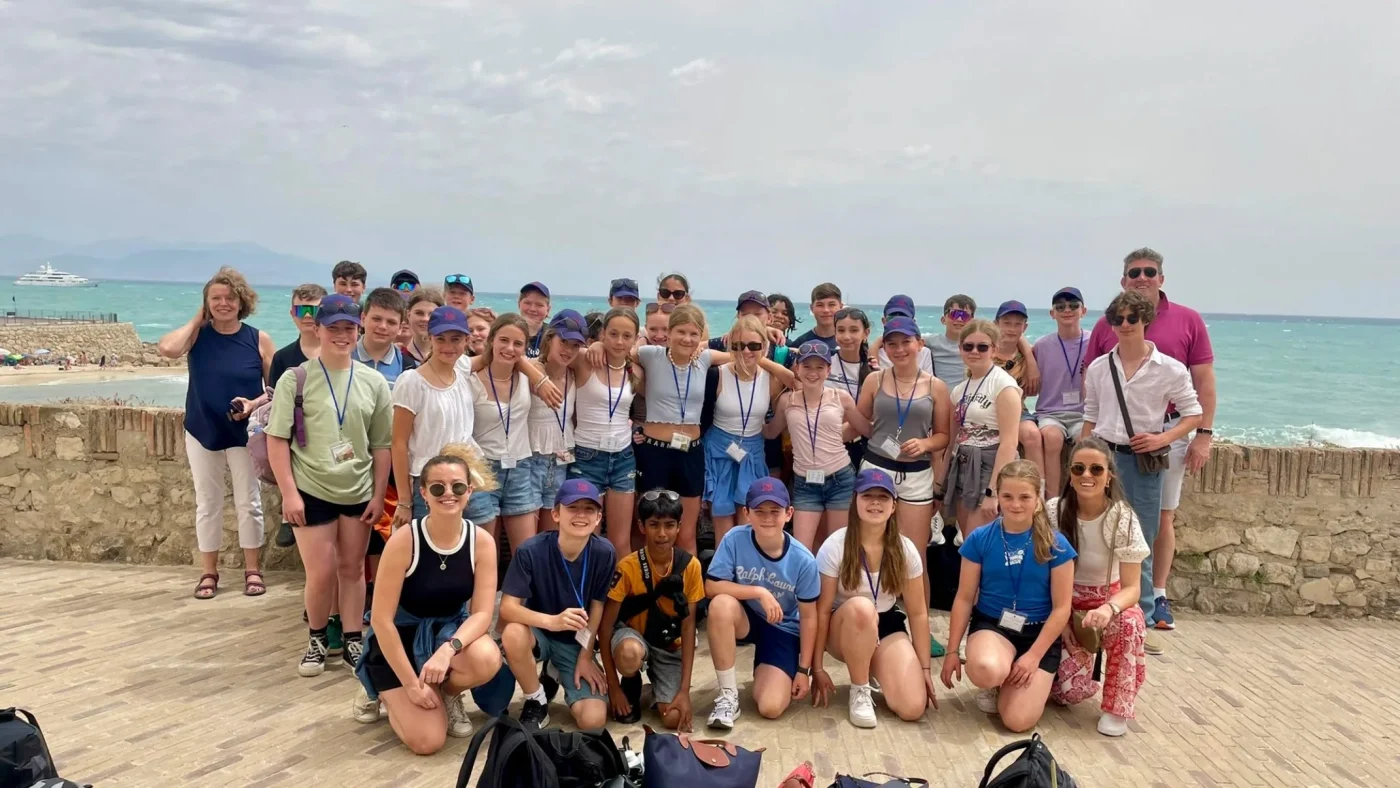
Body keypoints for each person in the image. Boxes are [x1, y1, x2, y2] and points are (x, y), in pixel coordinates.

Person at [1084, 247, 1216, 638]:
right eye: (1119, 319)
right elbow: (1091, 412)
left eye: (1133, 318)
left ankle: (1136, 623)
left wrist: (1167, 437)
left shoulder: (1170, 367)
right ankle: (1097, 613)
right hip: (1104, 457)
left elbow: (1194, 408)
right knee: (1094, 531)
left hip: (1145, 460)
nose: (1126, 324)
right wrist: (1084, 454)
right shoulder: (1098, 365)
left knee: (1138, 539)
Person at [265, 295, 392, 676]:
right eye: (332, 328)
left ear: (359, 330)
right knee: (320, 573)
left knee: (352, 570)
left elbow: (381, 444)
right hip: (311, 489)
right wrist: (289, 493)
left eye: (348, 328)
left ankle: (353, 639)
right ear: (317, 329)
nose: (341, 335)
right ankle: (317, 639)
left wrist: (377, 493)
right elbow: (277, 438)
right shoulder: (296, 378)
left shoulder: (374, 382)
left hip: (357, 491)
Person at [352, 445, 504, 753]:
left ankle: (447, 694)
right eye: (438, 487)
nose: (448, 493)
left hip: (445, 635)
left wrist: (449, 651)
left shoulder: (482, 543)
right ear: (423, 493)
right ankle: (381, 690)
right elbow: (381, 620)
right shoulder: (404, 540)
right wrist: (409, 684)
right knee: (428, 741)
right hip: (399, 640)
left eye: (457, 486)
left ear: (469, 490)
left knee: (488, 657)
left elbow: (481, 615)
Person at [624, 305, 791, 553]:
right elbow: (619, 351)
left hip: (691, 451)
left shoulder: (705, 358)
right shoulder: (650, 354)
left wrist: (759, 341)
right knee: (651, 526)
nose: (687, 339)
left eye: (694, 334)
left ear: (701, 337)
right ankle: (650, 585)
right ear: (669, 333)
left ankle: (690, 589)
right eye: (681, 332)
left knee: (686, 533)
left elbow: (741, 354)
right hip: (655, 451)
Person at [157, 267, 276, 600]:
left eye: (230, 298)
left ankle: (253, 569)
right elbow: (167, 349)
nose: (224, 304)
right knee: (207, 504)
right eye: (216, 298)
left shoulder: (258, 339)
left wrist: (253, 404)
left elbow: (278, 387)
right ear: (207, 303)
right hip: (201, 428)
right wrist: (199, 318)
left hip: (243, 431)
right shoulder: (198, 336)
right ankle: (209, 572)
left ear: (242, 302)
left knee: (248, 503)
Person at [940, 460, 1075, 733]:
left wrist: (1034, 656)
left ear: (1038, 499)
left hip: (1037, 634)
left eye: (1025, 497)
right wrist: (952, 650)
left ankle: (1025, 679)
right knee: (986, 668)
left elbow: (1062, 608)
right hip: (994, 625)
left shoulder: (1056, 543)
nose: (1016, 504)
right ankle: (998, 678)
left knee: (1016, 721)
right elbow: (965, 597)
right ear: (998, 497)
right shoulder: (980, 538)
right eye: (1008, 497)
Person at [812, 468, 939, 727]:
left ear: (894, 505)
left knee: (913, 707)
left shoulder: (905, 549)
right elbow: (821, 610)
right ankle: (859, 689)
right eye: (867, 495)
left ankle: (874, 668)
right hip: (844, 626)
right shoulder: (835, 545)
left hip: (886, 622)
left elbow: (917, 613)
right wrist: (817, 667)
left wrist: (925, 668)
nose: (875, 502)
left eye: (883, 497)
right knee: (862, 607)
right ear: (854, 501)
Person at [1047, 438, 1150, 737]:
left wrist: (1109, 608)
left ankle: (1118, 708)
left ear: (1109, 475)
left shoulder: (1122, 518)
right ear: (1070, 474)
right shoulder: (1054, 511)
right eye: (1078, 468)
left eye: (1096, 469)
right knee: (1069, 694)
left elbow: (1132, 588)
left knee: (1130, 624)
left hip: (1107, 602)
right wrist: (1060, 616)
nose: (1086, 475)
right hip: (1063, 600)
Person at [500, 479, 618, 730]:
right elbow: (507, 608)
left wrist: (586, 655)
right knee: (513, 632)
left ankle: (554, 670)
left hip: (574, 642)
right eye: (572, 507)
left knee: (593, 720)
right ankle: (536, 700)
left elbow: (598, 606)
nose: (581, 515)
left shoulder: (604, 552)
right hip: (539, 633)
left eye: (589, 509)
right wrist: (551, 622)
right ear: (555, 514)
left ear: (598, 518)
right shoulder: (531, 550)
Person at [704, 478, 819, 728]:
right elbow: (711, 587)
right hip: (748, 618)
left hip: (783, 627)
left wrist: (804, 669)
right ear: (746, 513)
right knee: (721, 605)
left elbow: (810, 618)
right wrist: (759, 591)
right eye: (759, 511)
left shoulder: (804, 560)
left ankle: (768, 669)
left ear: (789, 514)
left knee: (770, 707)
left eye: (775, 511)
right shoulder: (735, 538)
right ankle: (727, 695)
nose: (767, 518)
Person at [599, 490, 706, 729]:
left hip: (669, 647)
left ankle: (654, 691)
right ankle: (630, 682)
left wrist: (685, 690)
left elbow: (688, 628)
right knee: (629, 653)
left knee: (673, 719)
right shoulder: (627, 566)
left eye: (669, 525)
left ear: (679, 526)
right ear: (641, 526)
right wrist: (613, 687)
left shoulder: (691, 566)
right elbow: (605, 629)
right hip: (634, 638)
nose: (661, 533)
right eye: (654, 525)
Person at [857, 317, 950, 571]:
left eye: (905, 342)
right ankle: (874, 608)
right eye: (892, 343)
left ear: (919, 344)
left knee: (914, 556)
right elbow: (859, 422)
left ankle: (918, 612)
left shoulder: (936, 386)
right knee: (869, 546)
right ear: (884, 347)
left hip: (917, 475)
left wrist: (924, 443)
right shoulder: (874, 380)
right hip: (876, 468)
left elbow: (944, 435)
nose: (899, 349)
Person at [766, 341, 870, 551]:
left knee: (838, 548)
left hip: (839, 479)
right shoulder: (787, 400)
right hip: (805, 484)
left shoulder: (840, 397)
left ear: (828, 370)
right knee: (802, 549)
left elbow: (864, 429)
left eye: (819, 367)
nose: (813, 373)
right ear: (797, 368)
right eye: (807, 366)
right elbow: (771, 431)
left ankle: (834, 585)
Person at [465, 314, 553, 553]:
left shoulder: (528, 375)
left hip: (521, 467)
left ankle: (518, 593)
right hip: (482, 469)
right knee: (483, 552)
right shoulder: (469, 379)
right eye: (503, 340)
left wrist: (526, 367)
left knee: (525, 552)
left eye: (518, 344)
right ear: (491, 340)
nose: (509, 348)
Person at [703, 315, 793, 545]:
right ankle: (722, 577)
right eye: (738, 345)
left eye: (753, 345)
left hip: (752, 453)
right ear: (730, 345)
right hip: (719, 452)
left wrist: (761, 360)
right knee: (722, 528)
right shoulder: (717, 374)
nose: (745, 351)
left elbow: (797, 383)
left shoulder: (770, 379)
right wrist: (746, 354)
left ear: (764, 346)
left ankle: (745, 577)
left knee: (748, 526)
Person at [391, 307, 477, 526]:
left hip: (465, 477)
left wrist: (539, 380)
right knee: (428, 552)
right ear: (429, 338)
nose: (449, 346)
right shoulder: (412, 381)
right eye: (441, 339)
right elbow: (398, 443)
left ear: (466, 340)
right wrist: (404, 501)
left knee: (467, 547)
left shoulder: (463, 369)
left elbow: (502, 355)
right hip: (429, 483)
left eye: (456, 339)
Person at [567, 308, 640, 556]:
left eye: (627, 335)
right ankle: (586, 594)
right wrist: (594, 346)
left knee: (621, 542)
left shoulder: (636, 371)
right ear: (603, 334)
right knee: (586, 537)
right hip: (587, 457)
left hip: (623, 458)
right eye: (613, 334)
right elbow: (553, 349)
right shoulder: (585, 360)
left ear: (635, 338)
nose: (619, 341)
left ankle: (620, 596)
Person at [944, 319, 1023, 538]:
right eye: (968, 346)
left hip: (990, 465)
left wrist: (993, 492)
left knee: (978, 543)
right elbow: (952, 440)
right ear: (960, 349)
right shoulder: (959, 390)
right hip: (963, 464)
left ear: (994, 349)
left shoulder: (1003, 385)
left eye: (982, 347)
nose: (974, 352)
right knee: (969, 542)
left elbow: (1009, 443)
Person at [527, 310, 586, 532]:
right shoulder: (530, 368)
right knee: (527, 538)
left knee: (551, 536)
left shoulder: (574, 374)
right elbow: (513, 359)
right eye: (563, 341)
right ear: (549, 337)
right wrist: (539, 376)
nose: (568, 350)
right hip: (532, 460)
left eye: (575, 345)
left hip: (563, 461)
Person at [1032, 287, 1089, 499]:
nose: (1067, 310)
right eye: (1061, 306)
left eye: (1074, 306)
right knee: (1051, 437)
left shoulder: (1095, 342)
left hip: (1083, 413)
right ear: (1052, 313)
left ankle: (1080, 499)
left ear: (1083, 311)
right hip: (1050, 412)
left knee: (1085, 440)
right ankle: (1052, 502)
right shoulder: (1041, 345)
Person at [991, 300, 1046, 485]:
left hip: (1017, 411)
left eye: (1017, 324)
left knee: (1032, 435)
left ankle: (1038, 489)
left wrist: (1031, 362)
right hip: (987, 409)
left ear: (1025, 327)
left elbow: (1034, 389)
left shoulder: (1028, 355)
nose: (1011, 329)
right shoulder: (984, 350)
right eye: (1006, 323)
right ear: (996, 323)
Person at [355, 287, 417, 388]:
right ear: (363, 319)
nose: (383, 326)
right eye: (376, 319)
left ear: (400, 328)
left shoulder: (407, 366)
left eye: (391, 322)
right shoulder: (344, 357)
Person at [269, 284, 326, 388]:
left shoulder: (340, 351)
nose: (307, 316)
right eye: (301, 310)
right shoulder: (282, 357)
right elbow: (274, 398)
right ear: (292, 313)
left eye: (314, 310)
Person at [875, 296, 933, 375]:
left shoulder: (923, 352)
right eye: (892, 317)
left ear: (913, 322)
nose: (898, 321)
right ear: (884, 321)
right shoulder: (878, 352)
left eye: (904, 318)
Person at [927, 295, 976, 390]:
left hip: (970, 397)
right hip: (940, 397)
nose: (959, 319)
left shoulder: (979, 346)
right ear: (943, 319)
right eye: (954, 314)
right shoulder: (931, 342)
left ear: (972, 321)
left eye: (965, 315)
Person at [790, 282, 843, 354]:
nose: (826, 310)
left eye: (831, 305)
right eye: (820, 305)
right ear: (812, 308)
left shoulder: (848, 342)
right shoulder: (800, 344)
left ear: (841, 307)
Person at [402, 289, 444, 364]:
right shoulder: (398, 356)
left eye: (432, 314)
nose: (425, 319)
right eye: (419, 313)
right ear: (408, 314)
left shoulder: (450, 354)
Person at [518, 282, 552, 359]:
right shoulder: (509, 330)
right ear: (519, 304)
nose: (532, 309)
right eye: (527, 303)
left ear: (548, 309)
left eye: (539, 305)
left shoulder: (552, 335)